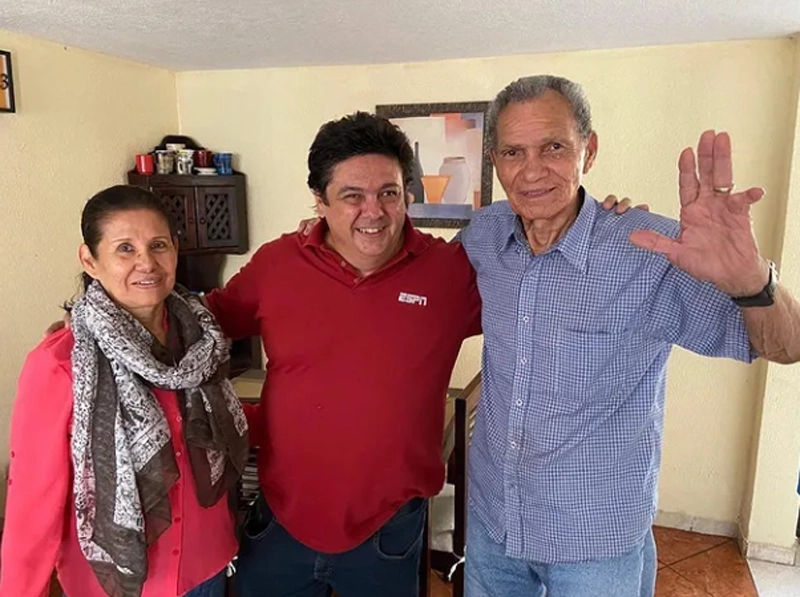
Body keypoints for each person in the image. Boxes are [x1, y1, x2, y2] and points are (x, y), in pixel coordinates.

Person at [202, 112, 636, 597]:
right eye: (351, 196)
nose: (375, 211)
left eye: (389, 192)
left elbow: (538, 283)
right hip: (280, 520)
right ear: (319, 202)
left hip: (388, 530)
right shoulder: (276, 264)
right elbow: (200, 329)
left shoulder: (448, 271)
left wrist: (592, 225)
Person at [459, 75, 800, 597]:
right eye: (512, 152)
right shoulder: (484, 236)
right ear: (494, 158)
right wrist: (326, 232)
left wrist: (753, 281)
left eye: (553, 147)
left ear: (588, 150)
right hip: (493, 523)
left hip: (596, 542)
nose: (531, 171)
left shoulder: (646, 249)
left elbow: (787, 345)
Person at [0, 185, 250, 597]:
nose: (146, 263)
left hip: (204, 567)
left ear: (175, 250)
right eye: (125, 249)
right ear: (90, 260)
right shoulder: (62, 363)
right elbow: (33, 503)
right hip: (116, 583)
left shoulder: (201, 340)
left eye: (158, 245)